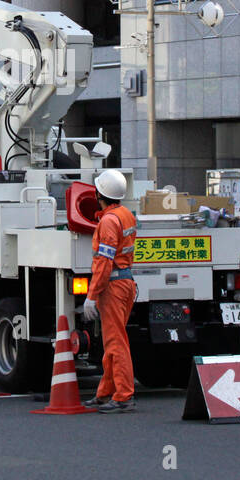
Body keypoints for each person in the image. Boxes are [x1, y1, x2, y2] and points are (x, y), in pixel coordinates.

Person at [82, 169, 138, 413]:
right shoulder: (126, 215)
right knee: (113, 340)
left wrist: (92, 296)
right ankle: (105, 393)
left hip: (112, 286)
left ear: (98, 194)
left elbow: (104, 262)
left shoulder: (107, 221)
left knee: (115, 342)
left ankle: (123, 395)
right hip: (125, 283)